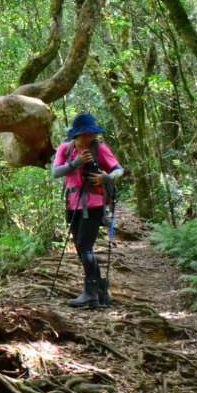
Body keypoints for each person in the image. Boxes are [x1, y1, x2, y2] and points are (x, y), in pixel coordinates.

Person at [52, 113, 124, 308]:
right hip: (72, 205)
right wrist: (76, 163)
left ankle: (91, 294)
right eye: (84, 135)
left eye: (91, 134)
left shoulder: (99, 148)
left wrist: (106, 178)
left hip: (94, 205)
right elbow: (55, 172)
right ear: (75, 135)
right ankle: (100, 291)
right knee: (82, 249)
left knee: (84, 246)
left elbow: (119, 170)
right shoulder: (65, 150)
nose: (88, 139)